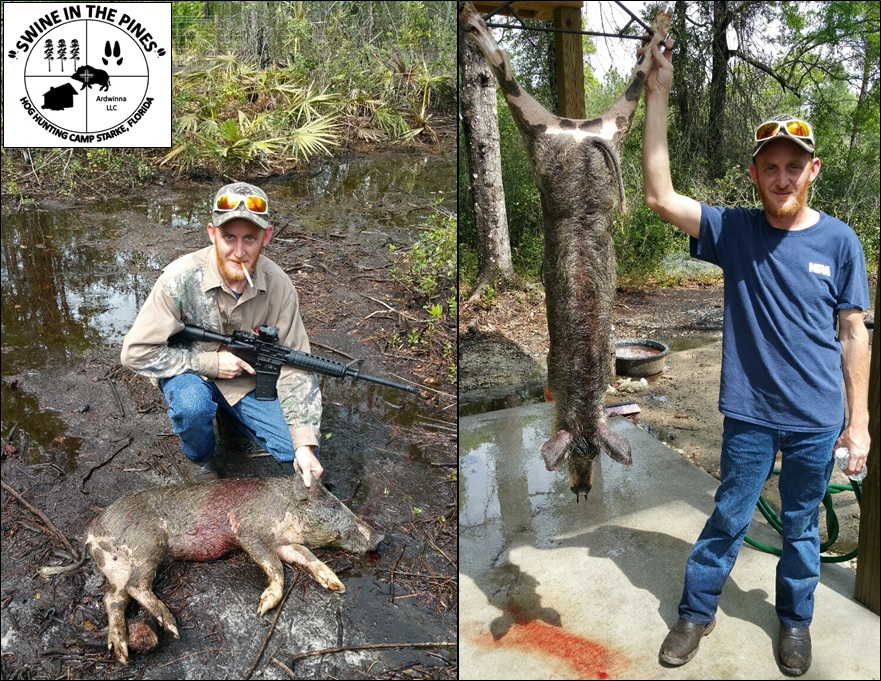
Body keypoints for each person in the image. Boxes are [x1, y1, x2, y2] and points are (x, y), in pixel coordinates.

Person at [641, 39, 871, 676]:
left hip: (816, 419)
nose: (782, 178)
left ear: (813, 170)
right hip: (748, 414)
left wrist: (859, 424)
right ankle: (696, 611)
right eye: (770, 167)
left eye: (793, 167)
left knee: (800, 527)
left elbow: (854, 335)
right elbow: (659, 195)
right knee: (730, 515)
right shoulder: (735, 232)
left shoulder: (841, 241)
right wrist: (657, 91)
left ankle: (795, 622)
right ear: (754, 174)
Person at [121, 182, 324, 487]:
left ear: (266, 236)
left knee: (291, 449)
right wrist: (211, 364)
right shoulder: (178, 280)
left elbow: (296, 365)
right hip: (189, 375)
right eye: (229, 236)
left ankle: (231, 422)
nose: (239, 252)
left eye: (250, 238)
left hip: (245, 384)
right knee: (192, 405)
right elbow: (135, 353)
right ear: (212, 233)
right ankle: (200, 459)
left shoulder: (279, 285)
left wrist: (304, 444)